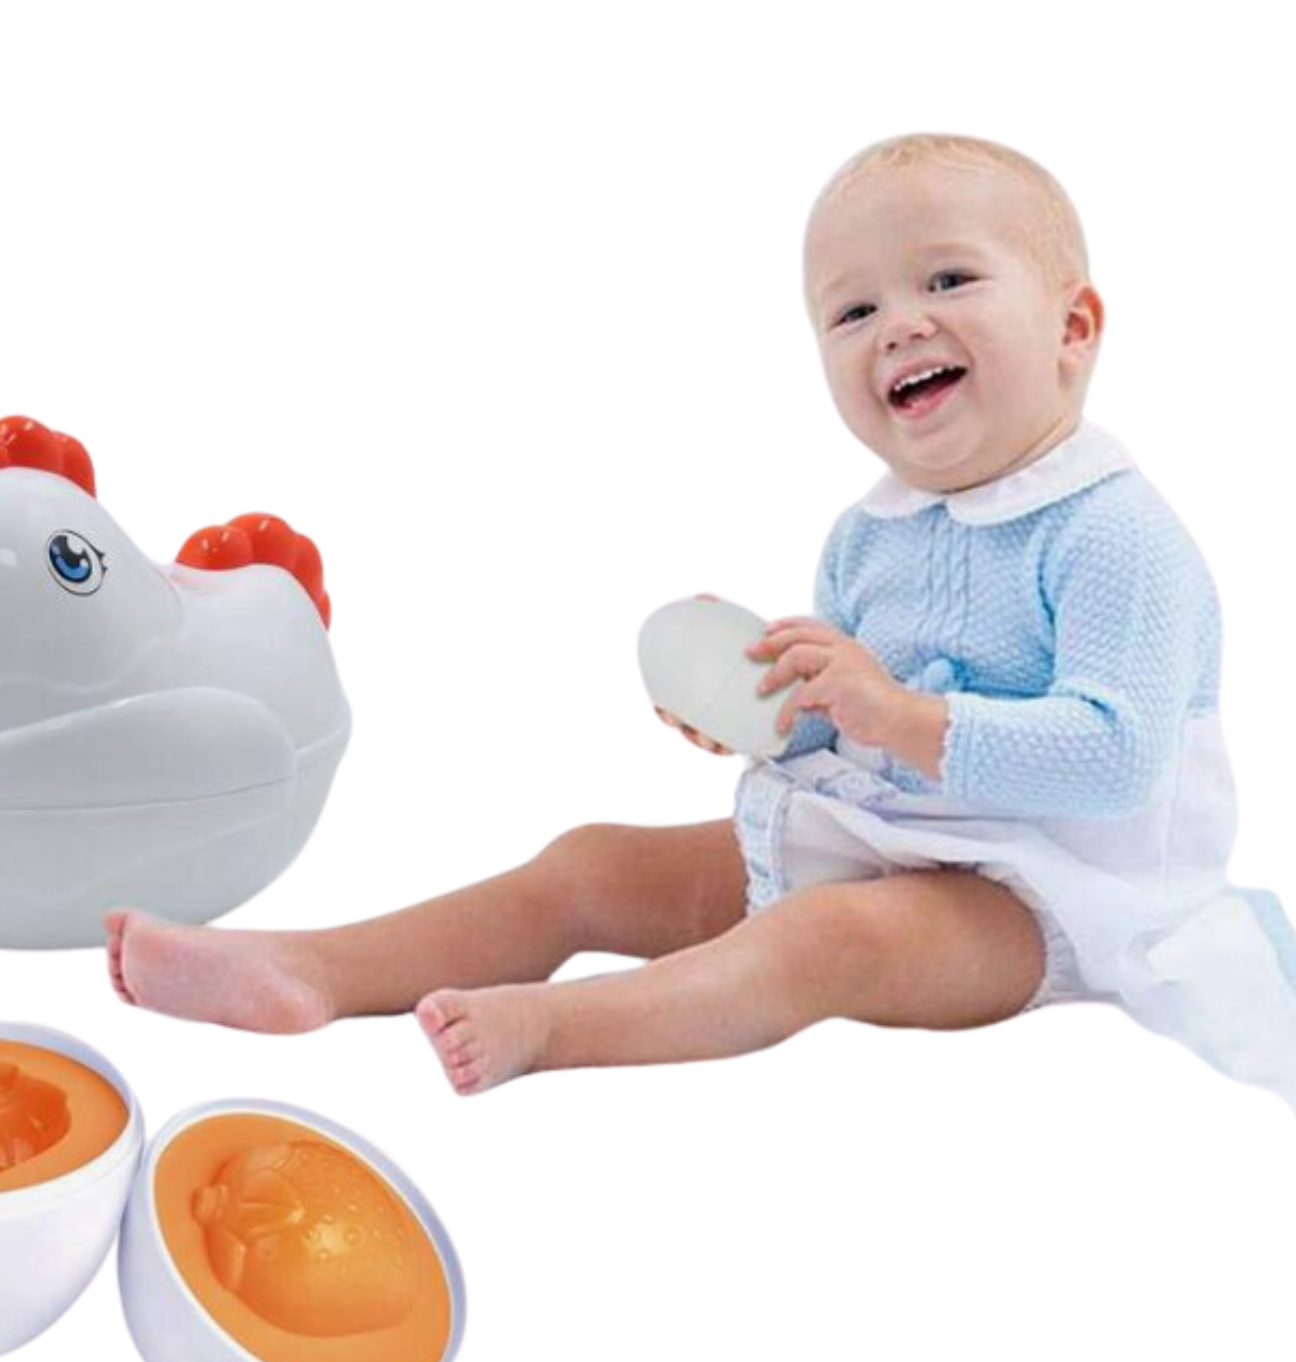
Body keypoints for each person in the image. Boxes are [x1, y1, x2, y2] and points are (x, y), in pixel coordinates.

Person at [105, 133, 1296, 1105]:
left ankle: (552, 1028)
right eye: (852, 309)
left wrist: (899, 713)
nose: (898, 323)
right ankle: (314, 969)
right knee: (591, 861)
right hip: (895, 836)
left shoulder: (1115, 535)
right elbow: (854, 735)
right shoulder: (872, 535)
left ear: (1073, 330)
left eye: (947, 281)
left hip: (1049, 897)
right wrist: (779, 718)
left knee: (823, 942)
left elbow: (1117, 756)